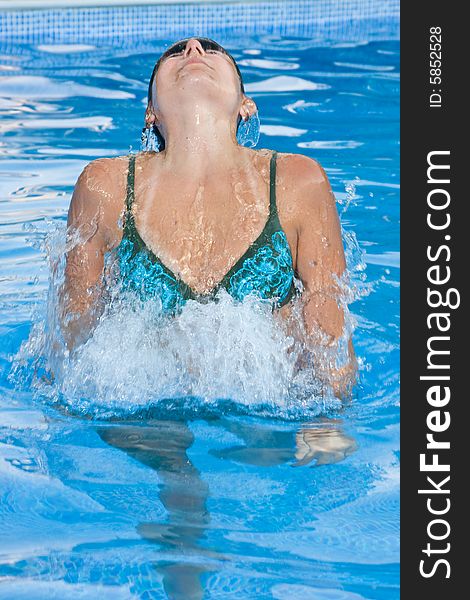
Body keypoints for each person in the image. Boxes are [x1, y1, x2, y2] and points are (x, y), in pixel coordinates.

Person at [59, 37, 356, 398]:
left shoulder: (298, 182)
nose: (194, 49)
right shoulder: (106, 188)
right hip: (144, 418)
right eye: (175, 53)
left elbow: (329, 333)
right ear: (150, 111)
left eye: (212, 50)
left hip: (268, 417)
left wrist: (328, 430)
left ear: (245, 105)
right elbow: (72, 342)